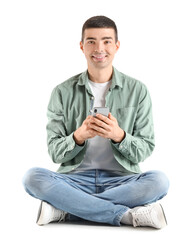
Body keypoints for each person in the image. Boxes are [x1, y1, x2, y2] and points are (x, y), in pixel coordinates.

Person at [23, 15, 169, 229]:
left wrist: (119, 136)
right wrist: (78, 137)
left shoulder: (138, 90)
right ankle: (127, 215)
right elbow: (55, 152)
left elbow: (145, 148)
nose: (99, 48)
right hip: (74, 180)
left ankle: (66, 210)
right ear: (82, 46)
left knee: (159, 181)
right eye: (91, 41)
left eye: (107, 41)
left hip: (122, 180)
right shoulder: (62, 92)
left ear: (117, 46)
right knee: (32, 177)